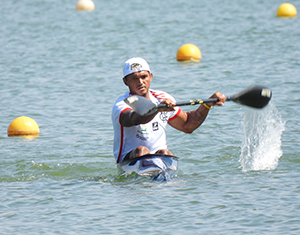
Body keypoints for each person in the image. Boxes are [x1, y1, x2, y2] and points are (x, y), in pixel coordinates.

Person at [112, 57, 226, 163]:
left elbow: (187, 125)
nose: (140, 82)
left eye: (143, 77)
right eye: (133, 78)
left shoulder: (162, 98)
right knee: (142, 151)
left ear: (150, 76)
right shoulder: (122, 104)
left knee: (166, 153)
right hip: (131, 159)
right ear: (125, 82)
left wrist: (207, 105)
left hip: (159, 158)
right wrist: (158, 109)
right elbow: (135, 119)